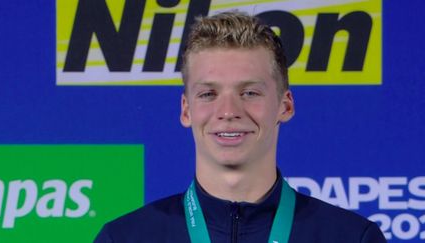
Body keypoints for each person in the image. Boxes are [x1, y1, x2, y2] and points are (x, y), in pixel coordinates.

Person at [94, 11, 386, 243]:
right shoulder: (123, 238)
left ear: (285, 106)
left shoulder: (350, 237)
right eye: (209, 94)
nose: (229, 111)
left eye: (249, 93)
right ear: (186, 110)